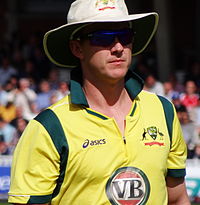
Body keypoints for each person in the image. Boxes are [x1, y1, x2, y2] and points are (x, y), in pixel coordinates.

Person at [8, 0, 190, 204]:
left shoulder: (163, 110)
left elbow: (177, 198)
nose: (118, 47)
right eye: (104, 38)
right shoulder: (49, 127)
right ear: (77, 48)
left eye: (125, 36)